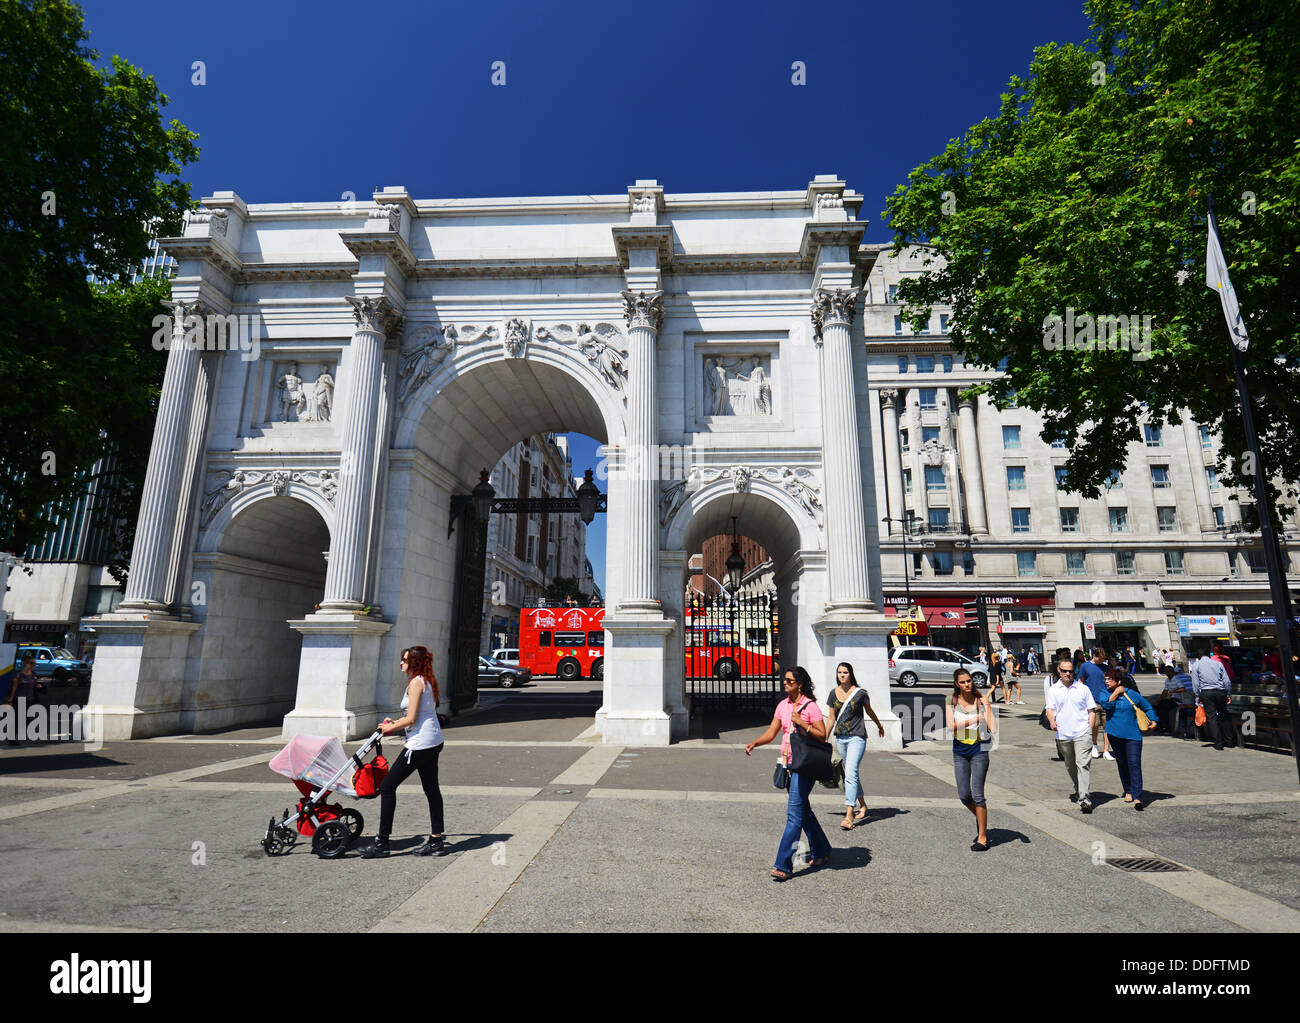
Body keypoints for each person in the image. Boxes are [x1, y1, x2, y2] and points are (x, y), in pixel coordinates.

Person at [745, 666, 832, 881]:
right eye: (784, 680)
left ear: (800, 684)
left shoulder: (810, 707)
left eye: (789, 681)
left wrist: (803, 724)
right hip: (787, 764)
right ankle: (822, 849)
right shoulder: (783, 706)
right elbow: (773, 732)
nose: (785, 683)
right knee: (803, 810)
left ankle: (783, 865)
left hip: (804, 765)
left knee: (793, 815)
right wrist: (756, 742)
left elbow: (822, 736)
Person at [360, 646, 447, 858]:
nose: (401, 663)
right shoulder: (425, 681)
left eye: (405, 659)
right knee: (431, 789)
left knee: (388, 786)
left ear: (414, 663)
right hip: (432, 740)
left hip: (420, 744)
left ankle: (382, 842)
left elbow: (412, 719)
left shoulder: (417, 683)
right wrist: (394, 721)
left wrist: (389, 728)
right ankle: (436, 840)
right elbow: (418, 714)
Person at [825, 662, 884, 830]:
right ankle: (863, 805)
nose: (842, 675)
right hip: (841, 738)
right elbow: (831, 718)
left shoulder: (860, 693)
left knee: (850, 773)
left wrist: (879, 725)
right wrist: (824, 737)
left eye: (845, 672)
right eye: (839, 672)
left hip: (857, 738)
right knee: (851, 774)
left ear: (850, 674)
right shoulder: (832, 693)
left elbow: (870, 711)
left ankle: (849, 814)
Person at [947, 668, 997, 850]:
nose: (967, 684)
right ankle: (981, 816)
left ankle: (982, 836)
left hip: (979, 750)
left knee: (977, 795)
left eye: (969, 681)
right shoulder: (951, 700)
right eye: (963, 682)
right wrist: (974, 718)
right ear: (956, 684)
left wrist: (987, 706)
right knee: (963, 795)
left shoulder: (980, 700)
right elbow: (951, 727)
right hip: (959, 751)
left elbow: (994, 728)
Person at [1045, 658, 1099, 812]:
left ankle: (1084, 799)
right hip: (1063, 734)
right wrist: (1051, 721)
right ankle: (1078, 788)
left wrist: (1089, 728)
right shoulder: (1053, 690)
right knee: (1070, 765)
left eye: (1070, 671)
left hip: (1082, 732)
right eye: (1065, 671)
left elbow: (1091, 711)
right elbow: (1050, 709)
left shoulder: (1083, 689)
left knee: (1083, 764)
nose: (1068, 674)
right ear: (1059, 671)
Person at [1101, 667, 1156, 810]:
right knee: (1122, 763)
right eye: (1105, 679)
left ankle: (1137, 796)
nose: (1106, 682)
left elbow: (1147, 707)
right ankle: (1128, 790)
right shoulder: (1104, 693)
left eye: (1110, 679)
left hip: (1133, 735)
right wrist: (1115, 693)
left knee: (1134, 763)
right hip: (1114, 734)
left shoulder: (1132, 694)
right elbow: (1106, 705)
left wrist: (1153, 720)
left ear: (1118, 681)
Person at [1191, 648, 1236, 751]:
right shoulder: (1218, 664)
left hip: (1206, 692)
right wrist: (1228, 693)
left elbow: (1195, 683)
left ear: (1199, 656)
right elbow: (1227, 680)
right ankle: (1229, 741)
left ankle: (1218, 743)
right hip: (1220, 691)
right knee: (1224, 715)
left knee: (1211, 717)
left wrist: (1198, 696)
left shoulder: (1196, 665)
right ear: (1209, 655)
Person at [1076, 647, 1115, 761]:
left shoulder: (1106, 667)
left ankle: (1106, 750)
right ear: (1094, 656)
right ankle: (1094, 746)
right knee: (1094, 725)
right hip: (1092, 700)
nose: (1101, 661)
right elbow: (1080, 681)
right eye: (1100, 659)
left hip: (1106, 700)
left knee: (1107, 726)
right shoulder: (1085, 666)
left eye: (1103, 659)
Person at [6, 656, 41, 747]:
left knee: (28, 719)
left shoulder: (33, 675)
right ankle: (11, 738)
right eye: (31, 663)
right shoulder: (19, 675)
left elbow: (35, 684)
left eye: (34, 663)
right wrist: (10, 700)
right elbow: (14, 688)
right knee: (18, 720)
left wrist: (38, 686)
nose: (33, 665)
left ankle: (11, 735)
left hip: (30, 700)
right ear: (26, 663)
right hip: (19, 700)